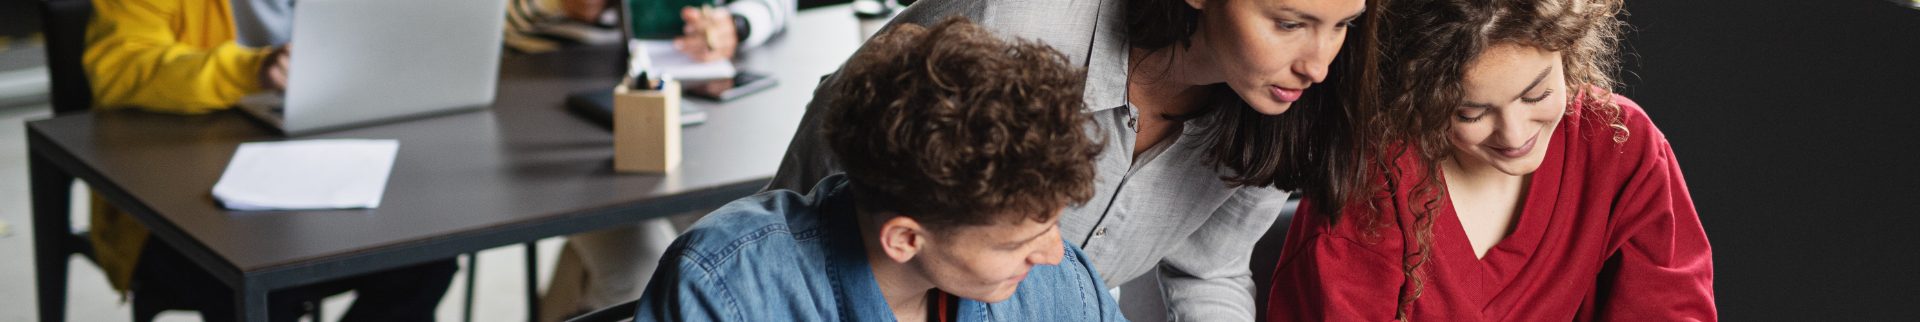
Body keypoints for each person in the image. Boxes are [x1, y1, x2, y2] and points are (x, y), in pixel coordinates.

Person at [768, 0, 1380, 320]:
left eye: (1343, 25)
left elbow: (1208, 270)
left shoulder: (1294, 107)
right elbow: (837, 195)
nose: (1318, 64)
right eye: (1290, 23)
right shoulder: (1012, 26)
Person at [633, 17, 1125, 321]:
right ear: (905, 239)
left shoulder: (1060, 290)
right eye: (1016, 244)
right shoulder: (728, 290)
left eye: (1053, 223)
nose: (1056, 254)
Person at [1265, 0, 1716, 320]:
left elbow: (1671, 308)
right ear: (1417, 96)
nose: (1515, 134)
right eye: (1471, 113)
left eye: (1537, 94)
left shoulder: (1619, 144)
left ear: (1570, 52)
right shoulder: (1369, 183)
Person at [83, 0, 456, 320]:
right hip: (176, 197)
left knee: (425, 256)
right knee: (259, 283)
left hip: (324, 163)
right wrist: (250, 71)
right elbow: (118, 66)